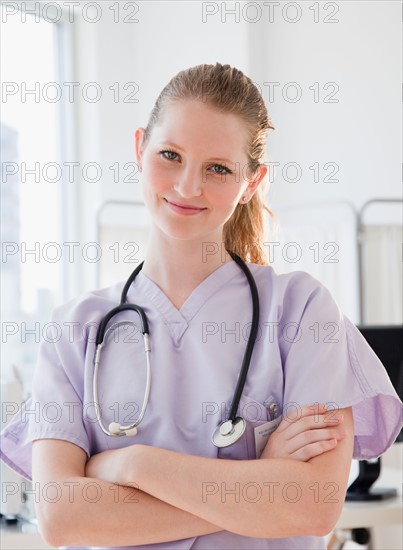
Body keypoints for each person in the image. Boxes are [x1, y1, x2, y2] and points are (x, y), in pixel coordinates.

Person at [1, 63, 402, 550]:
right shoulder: (74, 329)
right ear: (138, 149)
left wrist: (131, 465)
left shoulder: (302, 311)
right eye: (170, 155)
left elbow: (312, 506)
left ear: (252, 183)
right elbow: (64, 518)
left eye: (218, 168)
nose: (188, 186)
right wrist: (256, 487)